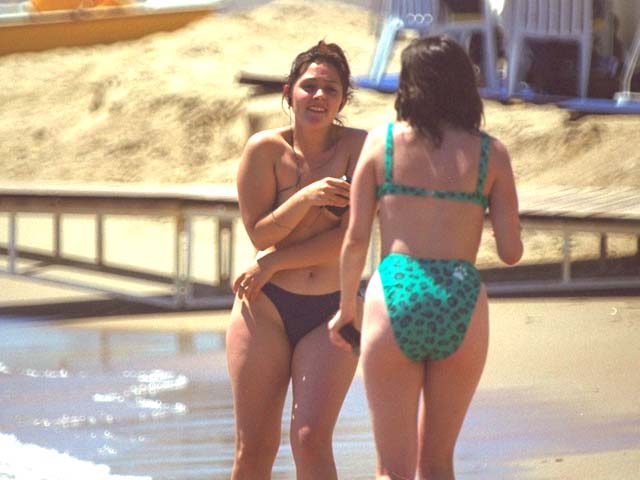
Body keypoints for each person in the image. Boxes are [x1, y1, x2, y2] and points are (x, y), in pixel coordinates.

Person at [329, 35, 523, 480]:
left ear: (409, 85)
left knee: (391, 470)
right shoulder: (491, 154)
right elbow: (511, 253)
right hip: (460, 297)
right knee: (437, 466)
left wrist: (345, 310)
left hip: (396, 290)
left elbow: (355, 239)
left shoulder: (382, 144)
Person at [226, 40, 367, 480]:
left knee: (310, 439)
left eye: (331, 89)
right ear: (289, 93)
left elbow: (351, 238)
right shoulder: (264, 150)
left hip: (333, 308)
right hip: (265, 307)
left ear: (343, 100)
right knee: (253, 449)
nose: (319, 96)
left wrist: (271, 263)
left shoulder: (361, 149)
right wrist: (307, 197)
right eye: (309, 86)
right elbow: (260, 233)